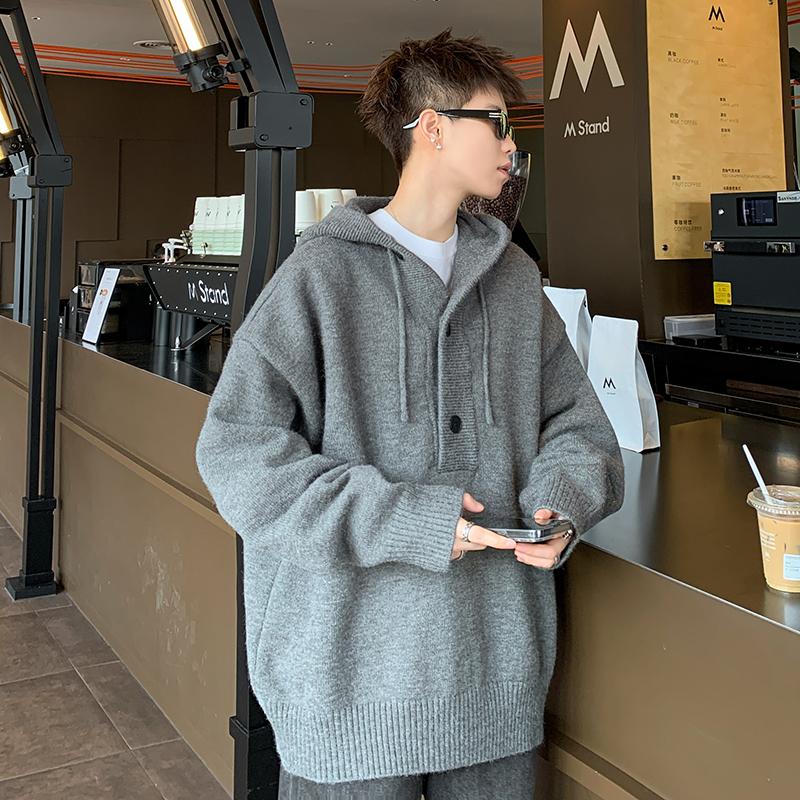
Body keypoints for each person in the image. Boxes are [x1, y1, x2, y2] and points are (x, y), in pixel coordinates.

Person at [196, 28, 624, 800]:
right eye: (495, 122)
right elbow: (237, 454)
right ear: (432, 128)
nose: (511, 145)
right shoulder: (320, 275)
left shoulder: (515, 280)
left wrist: (562, 502)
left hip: (496, 680)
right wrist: (404, 520)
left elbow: (579, 424)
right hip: (343, 690)